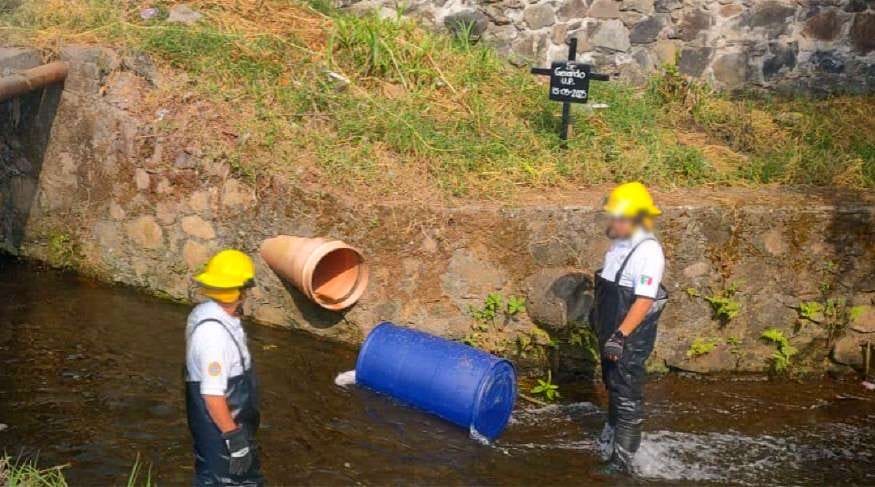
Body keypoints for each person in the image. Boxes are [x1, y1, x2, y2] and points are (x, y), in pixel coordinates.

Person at [590, 182, 668, 473]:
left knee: (626, 397)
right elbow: (610, 289)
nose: (611, 222)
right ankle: (609, 442)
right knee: (613, 386)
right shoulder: (620, 245)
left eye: (617, 217)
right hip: (610, 330)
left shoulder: (648, 252)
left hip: (629, 337)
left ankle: (622, 465)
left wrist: (620, 336)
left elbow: (644, 299)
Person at [185, 249, 264, 486]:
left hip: (231, 425)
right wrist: (234, 439)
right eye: (245, 290)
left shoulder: (210, 313)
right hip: (222, 432)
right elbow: (212, 394)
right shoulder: (214, 336)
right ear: (239, 291)